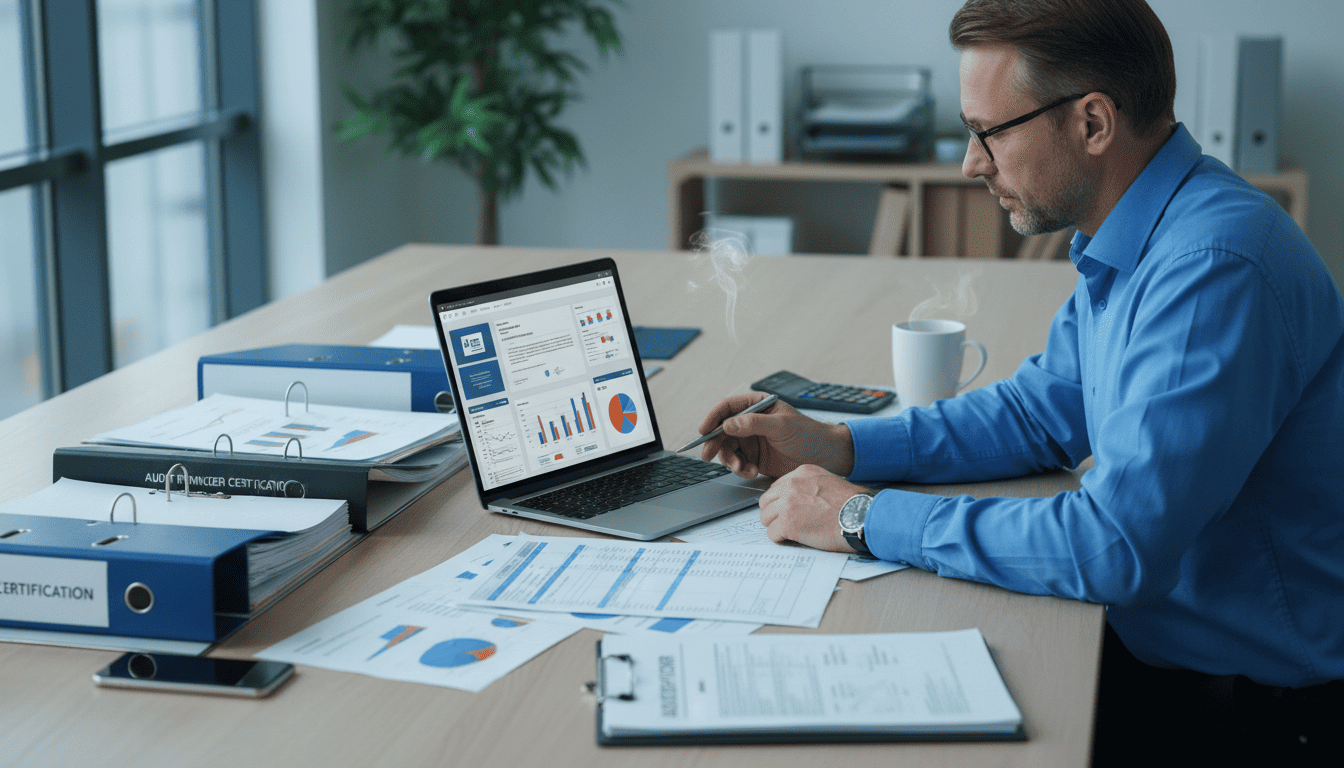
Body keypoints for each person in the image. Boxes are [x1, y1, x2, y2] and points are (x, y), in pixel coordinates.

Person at [694, 0, 1344, 764]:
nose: (971, 163)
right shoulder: (1140, 229)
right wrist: (839, 446)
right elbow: (1041, 414)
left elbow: (1114, 547)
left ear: (1093, 123)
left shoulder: (1211, 268)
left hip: (1255, 712)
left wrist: (864, 518)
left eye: (988, 132)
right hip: (1172, 650)